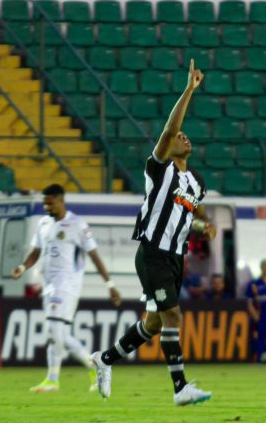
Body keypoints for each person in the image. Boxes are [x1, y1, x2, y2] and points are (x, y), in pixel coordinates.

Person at [91, 60, 216, 406]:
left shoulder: (196, 183)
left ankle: (104, 359)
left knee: (155, 323)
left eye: (185, 135)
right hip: (152, 252)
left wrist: (204, 226)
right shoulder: (158, 170)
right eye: (178, 136)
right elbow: (167, 132)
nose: (182, 136)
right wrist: (189, 90)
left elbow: (188, 216)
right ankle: (180, 389)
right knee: (174, 316)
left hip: (176, 257)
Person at [12, 183, 121, 393]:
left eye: (50, 203)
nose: (46, 207)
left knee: (55, 330)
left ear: (61, 201)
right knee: (59, 333)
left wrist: (110, 284)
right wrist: (22, 267)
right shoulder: (43, 223)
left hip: (67, 286)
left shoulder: (77, 225)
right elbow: (35, 252)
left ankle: (54, 378)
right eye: (44, 203)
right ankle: (90, 366)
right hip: (49, 286)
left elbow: (94, 255)